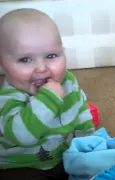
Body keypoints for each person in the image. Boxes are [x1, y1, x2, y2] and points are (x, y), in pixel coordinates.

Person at [0, 8, 95, 179]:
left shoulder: (68, 82)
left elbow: (80, 110)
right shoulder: (8, 98)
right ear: (2, 65)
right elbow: (23, 136)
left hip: (62, 156)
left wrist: (87, 141)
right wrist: (48, 99)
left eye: (51, 55)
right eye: (25, 59)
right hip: (21, 165)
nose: (42, 68)